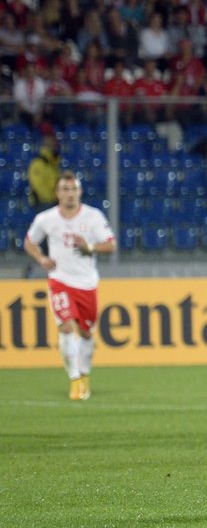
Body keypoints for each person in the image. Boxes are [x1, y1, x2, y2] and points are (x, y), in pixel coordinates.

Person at [23, 171, 116, 401]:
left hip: (86, 283)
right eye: (65, 189)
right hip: (60, 281)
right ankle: (74, 380)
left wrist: (91, 248)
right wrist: (42, 259)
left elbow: (111, 245)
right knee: (65, 327)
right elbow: (29, 242)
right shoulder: (46, 219)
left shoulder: (93, 217)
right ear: (57, 193)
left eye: (73, 189)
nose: (69, 194)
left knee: (86, 334)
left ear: (80, 192)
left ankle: (84, 375)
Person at [28, 133, 61, 211]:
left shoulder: (53, 163)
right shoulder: (38, 163)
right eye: (53, 144)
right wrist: (52, 198)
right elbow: (38, 185)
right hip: (43, 203)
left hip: (54, 202)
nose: (55, 146)